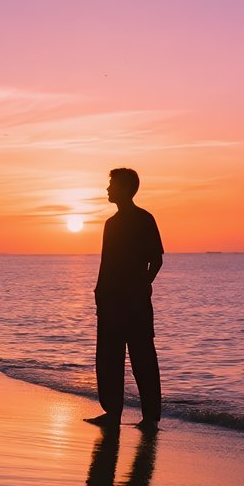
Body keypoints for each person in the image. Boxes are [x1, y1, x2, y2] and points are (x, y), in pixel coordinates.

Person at [86, 168, 163, 430]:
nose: (107, 189)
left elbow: (157, 259)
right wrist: (99, 293)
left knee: (143, 358)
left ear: (125, 188)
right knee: (109, 358)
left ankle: (150, 417)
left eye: (112, 185)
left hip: (136, 303)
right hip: (110, 301)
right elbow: (105, 264)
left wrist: (143, 285)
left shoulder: (144, 219)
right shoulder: (111, 224)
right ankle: (112, 413)